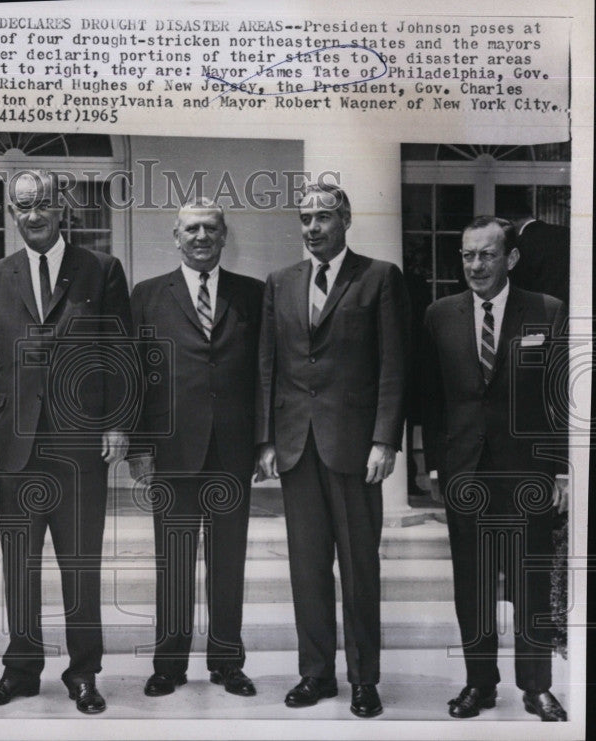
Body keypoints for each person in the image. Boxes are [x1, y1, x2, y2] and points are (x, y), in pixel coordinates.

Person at [0, 169, 132, 714]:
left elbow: (121, 352)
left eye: (41, 205)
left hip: (80, 445)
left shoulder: (102, 270)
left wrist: (117, 422)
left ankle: (84, 672)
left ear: (61, 207)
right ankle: (21, 670)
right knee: (19, 563)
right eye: (22, 207)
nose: (32, 215)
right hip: (15, 446)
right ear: (12, 214)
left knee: (80, 563)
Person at [255, 182, 408, 718]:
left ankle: (365, 680)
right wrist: (267, 439)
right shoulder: (281, 282)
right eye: (305, 218)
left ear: (345, 219)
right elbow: (268, 366)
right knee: (307, 569)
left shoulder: (379, 277)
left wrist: (385, 440)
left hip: (354, 450)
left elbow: (393, 365)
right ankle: (315, 674)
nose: (312, 228)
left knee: (360, 567)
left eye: (322, 217)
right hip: (297, 447)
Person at [422, 216, 569, 722]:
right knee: (474, 585)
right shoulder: (439, 315)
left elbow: (561, 399)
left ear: (510, 258)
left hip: (528, 475)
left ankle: (537, 687)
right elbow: (432, 400)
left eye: (486, 254)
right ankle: (479, 684)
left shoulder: (546, 311)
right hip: (466, 474)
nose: (476, 265)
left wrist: (562, 472)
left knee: (530, 582)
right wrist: (436, 466)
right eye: (467, 255)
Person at [129, 200, 262, 698]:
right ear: (175, 236)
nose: (201, 236)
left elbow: (264, 375)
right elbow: (135, 378)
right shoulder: (147, 296)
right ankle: (169, 663)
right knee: (175, 560)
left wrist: (263, 443)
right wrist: (139, 447)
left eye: (210, 228)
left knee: (229, 562)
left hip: (232, 449)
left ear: (224, 236)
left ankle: (228, 661)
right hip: (171, 450)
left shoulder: (252, 295)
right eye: (191, 229)